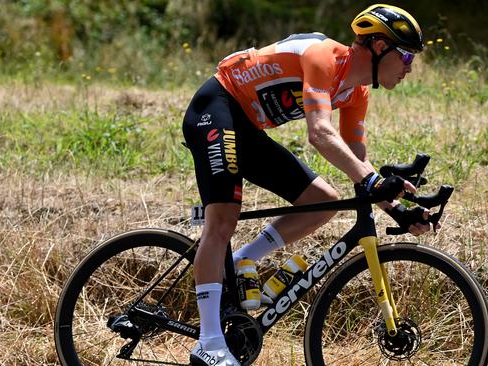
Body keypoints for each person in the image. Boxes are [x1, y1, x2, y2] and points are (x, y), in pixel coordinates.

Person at [182, 4, 432, 365]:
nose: (410, 66)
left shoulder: (357, 93)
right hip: (216, 107)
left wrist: (400, 210)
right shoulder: (323, 57)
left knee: (324, 200)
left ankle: (238, 262)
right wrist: (375, 181)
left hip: (247, 129)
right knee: (222, 220)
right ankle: (209, 342)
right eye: (406, 55)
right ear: (379, 47)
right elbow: (319, 133)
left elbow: (359, 168)